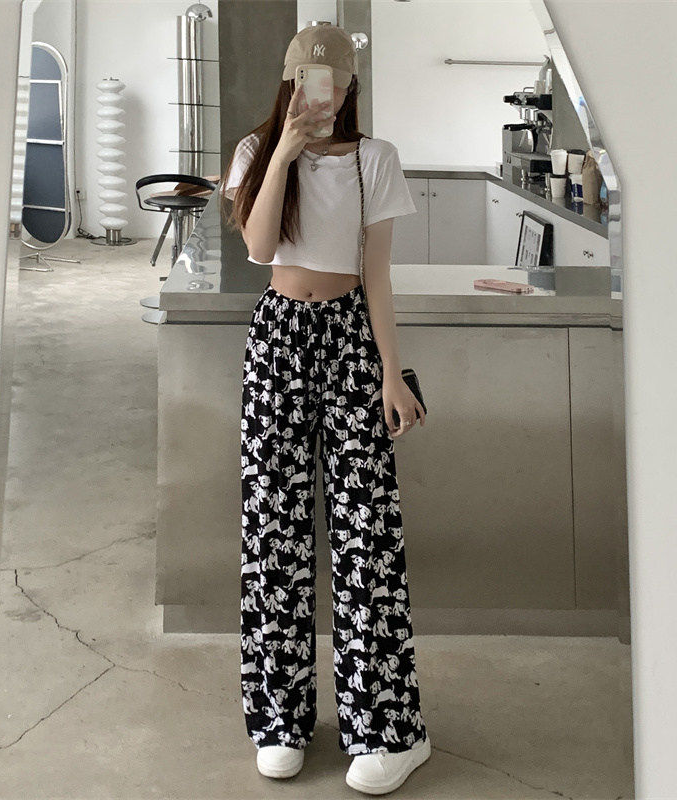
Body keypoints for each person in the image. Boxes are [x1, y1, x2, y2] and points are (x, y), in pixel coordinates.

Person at [220, 23, 431, 796]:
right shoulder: (255, 152)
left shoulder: (376, 159)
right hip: (278, 336)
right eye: (310, 81)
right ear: (290, 83)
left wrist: (390, 375)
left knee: (365, 532)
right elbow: (258, 248)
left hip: (348, 337)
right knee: (273, 527)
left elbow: (377, 275)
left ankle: (390, 729)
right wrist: (283, 152)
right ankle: (279, 720)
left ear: (350, 86)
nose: (324, 95)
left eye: (335, 82)